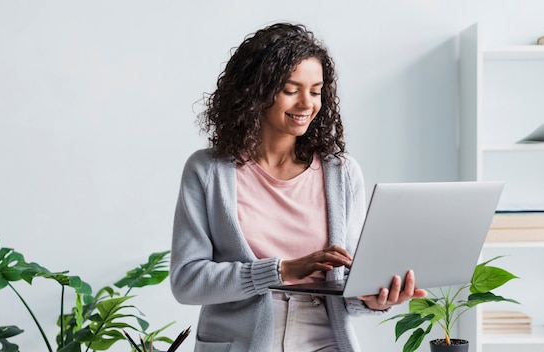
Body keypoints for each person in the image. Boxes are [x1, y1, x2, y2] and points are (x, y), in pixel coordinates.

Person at [170, 22, 427, 352]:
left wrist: (374, 299)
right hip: (240, 343)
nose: (307, 104)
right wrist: (281, 270)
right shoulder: (208, 171)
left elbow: (346, 288)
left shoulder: (341, 173)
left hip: (324, 339)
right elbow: (187, 282)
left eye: (316, 90)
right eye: (291, 90)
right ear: (253, 90)